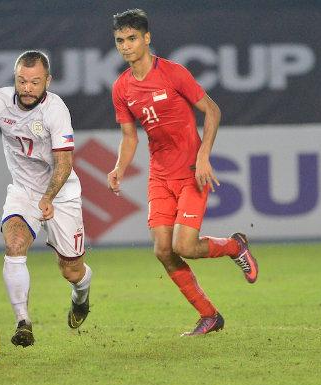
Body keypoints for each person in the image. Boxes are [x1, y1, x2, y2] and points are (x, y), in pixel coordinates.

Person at [107, 9, 258, 336]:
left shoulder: (174, 74)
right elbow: (130, 136)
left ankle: (234, 246)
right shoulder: (121, 88)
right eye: (120, 40)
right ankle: (210, 316)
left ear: (147, 39)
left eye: (132, 38)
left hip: (192, 172)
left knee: (185, 246)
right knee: (163, 250)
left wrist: (204, 154)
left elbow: (213, 110)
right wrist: (119, 167)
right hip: (160, 177)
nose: (126, 46)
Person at [0, 51, 93, 347]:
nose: (27, 88)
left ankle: (82, 296)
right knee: (14, 244)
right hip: (23, 191)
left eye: (35, 82)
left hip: (60, 193)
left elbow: (64, 163)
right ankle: (23, 322)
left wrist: (49, 197)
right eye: (22, 81)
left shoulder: (56, 110)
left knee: (71, 270)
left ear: (47, 81)